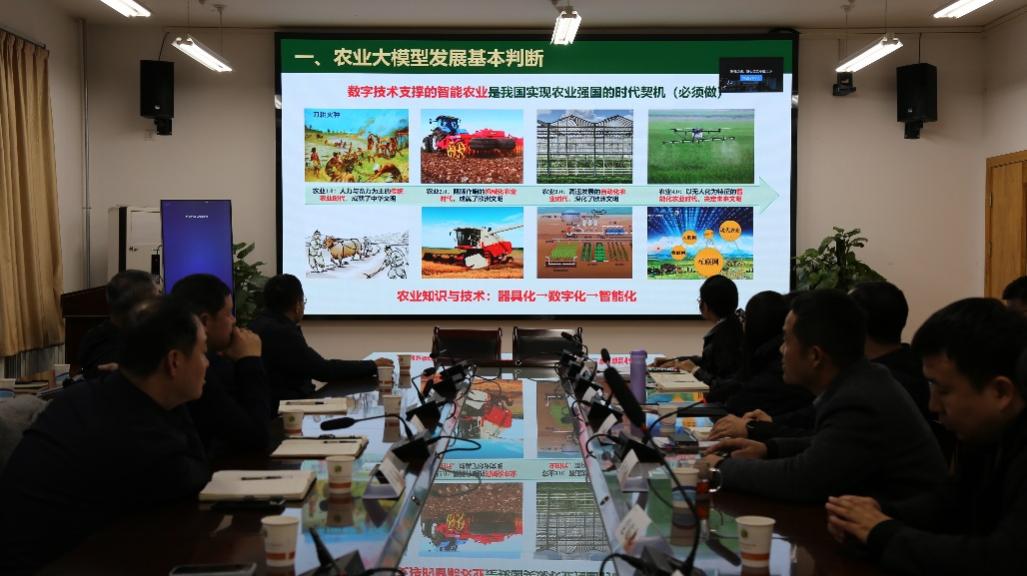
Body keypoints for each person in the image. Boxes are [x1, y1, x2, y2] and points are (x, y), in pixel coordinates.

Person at [0, 298, 211, 575]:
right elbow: (196, 477)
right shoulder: (137, 437)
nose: (207, 364)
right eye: (203, 353)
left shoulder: (89, 394)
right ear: (174, 361)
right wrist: (179, 399)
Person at [825, 298, 1027, 574]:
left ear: (1001, 392)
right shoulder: (984, 434)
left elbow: (1001, 560)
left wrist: (882, 533)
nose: (933, 405)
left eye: (942, 390)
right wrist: (877, 513)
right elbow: (950, 504)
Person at [702, 290, 946, 504]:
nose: (781, 350)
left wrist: (720, 467)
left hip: (901, 527)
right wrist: (769, 449)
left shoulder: (858, 398)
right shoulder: (862, 380)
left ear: (815, 356)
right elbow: (825, 445)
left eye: (786, 340)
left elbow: (802, 479)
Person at [170, 274, 271, 457]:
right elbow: (256, 438)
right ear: (205, 322)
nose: (234, 321)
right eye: (229, 313)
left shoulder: (214, 360)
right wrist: (250, 361)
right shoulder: (191, 369)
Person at [249, 274, 378, 406]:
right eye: (303, 301)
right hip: (287, 410)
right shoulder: (282, 332)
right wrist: (373, 366)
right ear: (297, 306)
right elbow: (324, 370)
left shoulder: (256, 325)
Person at [705, 291, 813, 417]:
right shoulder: (764, 358)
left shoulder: (775, 369)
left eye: (745, 317)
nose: (782, 348)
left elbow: (737, 402)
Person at [655, 275, 743, 385]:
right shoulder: (733, 325)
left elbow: (725, 386)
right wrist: (675, 361)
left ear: (705, 305)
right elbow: (709, 362)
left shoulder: (726, 337)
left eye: (700, 300)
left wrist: (695, 370)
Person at [77, 269, 159, 380]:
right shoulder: (105, 348)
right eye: (155, 300)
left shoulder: (95, 335)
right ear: (137, 307)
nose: (159, 306)